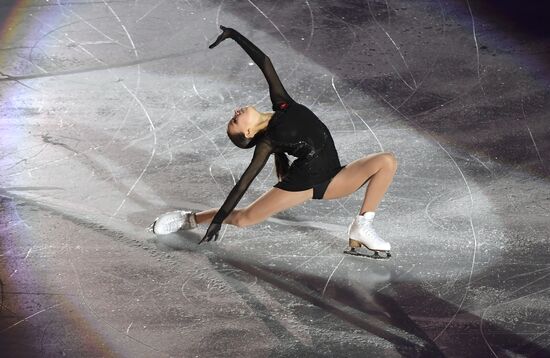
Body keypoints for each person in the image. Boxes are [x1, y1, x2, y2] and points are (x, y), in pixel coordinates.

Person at [149, 25, 398, 256]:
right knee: (243, 219)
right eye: (235, 121)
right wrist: (217, 220)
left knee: (386, 161)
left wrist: (234, 35)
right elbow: (243, 184)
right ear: (248, 134)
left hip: (336, 178)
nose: (235, 113)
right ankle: (190, 219)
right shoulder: (268, 142)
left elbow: (265, 62)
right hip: (303, 186)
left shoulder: (282, 103)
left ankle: (362, 226)